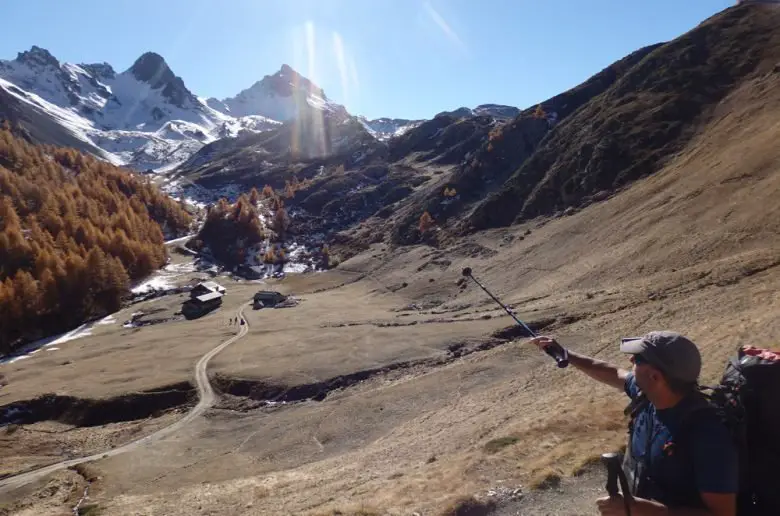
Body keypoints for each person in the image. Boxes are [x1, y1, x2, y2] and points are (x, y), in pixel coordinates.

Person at [529, 331, 738, 516]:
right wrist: (566, 354)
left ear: (655, 376)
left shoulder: (707, 435)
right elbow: (612, 372)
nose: (630, 360)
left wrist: (654, 512)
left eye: (637, 359)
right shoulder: (647, 396)